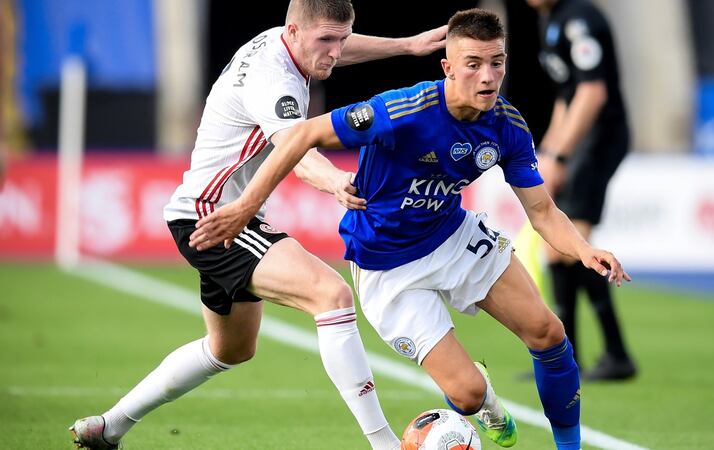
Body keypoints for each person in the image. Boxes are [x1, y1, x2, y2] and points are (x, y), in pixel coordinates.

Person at [190, 8, 631, 450]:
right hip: (387, 266)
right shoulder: (401, 110)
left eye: (496, 62)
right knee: (467, 394)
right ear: (448, 67)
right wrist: (246, 206)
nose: (487, 76)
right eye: (473, 64)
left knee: (548, 332)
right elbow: (303, 135)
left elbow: (542, 212)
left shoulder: (507, 126)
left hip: (452, 236)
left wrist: (584, 249)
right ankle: (488, 405)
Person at [69, 1, 448, 449]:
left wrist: (407, 45)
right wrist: (335, 181)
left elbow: (334, 44)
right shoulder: (274, 81)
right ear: (294, 32)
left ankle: (108, 427)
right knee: (332, 296)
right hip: (215, 217)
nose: (335, 51)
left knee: (230, 349)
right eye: (326, 40)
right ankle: (384, 444)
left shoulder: (284, 39)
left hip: (210, 213)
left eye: (342, 39)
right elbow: (296, 151)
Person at [524, 0, 636, 381]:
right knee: (557, 251)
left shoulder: (580, 20)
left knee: (576, 245)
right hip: (579, 141)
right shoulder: (550, 21)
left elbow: (591, 94)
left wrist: (560, 154)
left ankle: (616, 355)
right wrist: (547, 153)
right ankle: (566, 358)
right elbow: (566, 96)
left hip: (599, 138)